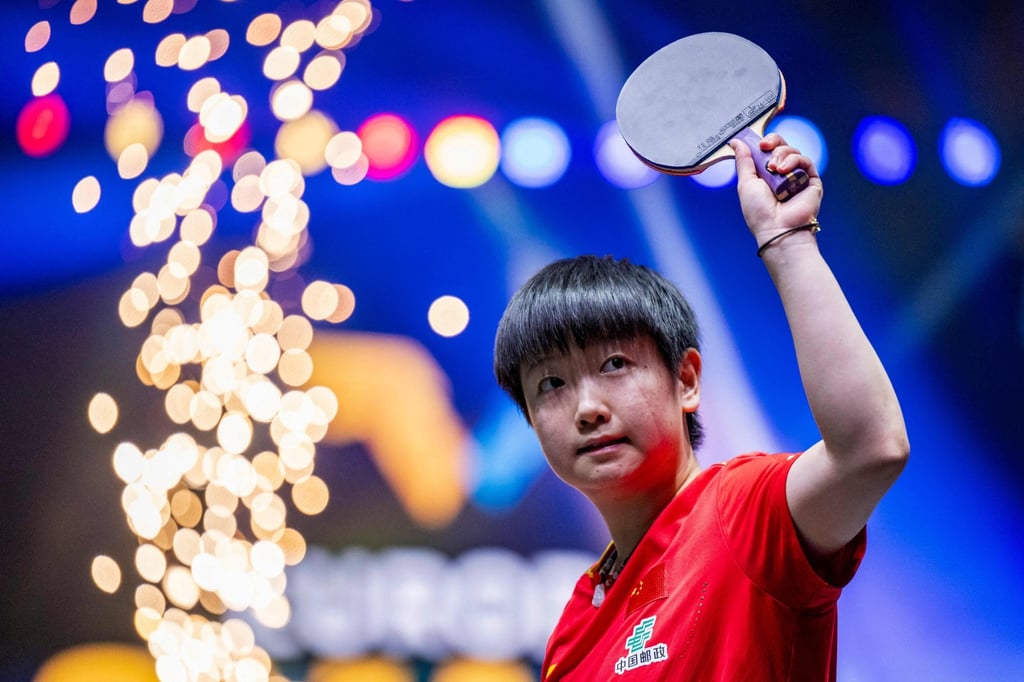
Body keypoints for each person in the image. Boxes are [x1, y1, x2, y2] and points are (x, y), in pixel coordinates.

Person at [492, 134, 910, 681]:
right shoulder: (575, 625)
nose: (587, 407)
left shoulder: (743, 512)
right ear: (529, 418)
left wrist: (788, 242)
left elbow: (871, 450)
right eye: (550, 384)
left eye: (615, 365)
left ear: (686, 380)